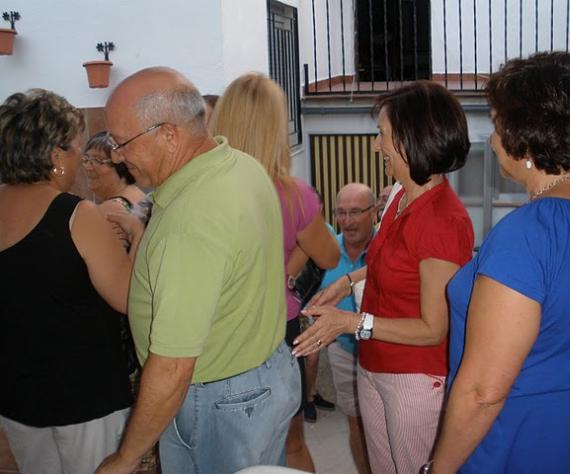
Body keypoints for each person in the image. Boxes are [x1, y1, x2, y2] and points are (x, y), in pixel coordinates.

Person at [429, 52, 570, 474]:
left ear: (525, 137)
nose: (492, 139)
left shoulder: (527, 234)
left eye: (496, 124)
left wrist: (440, 469)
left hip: (512, 446)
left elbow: (482, 392)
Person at [96, 67, 301, 474]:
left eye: (121, 143)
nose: (116, 156)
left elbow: (173, 366)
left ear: (168, 135)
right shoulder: (240, 164)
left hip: (221, 402)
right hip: (267, 372)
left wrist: (125, 457)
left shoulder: (190, 222)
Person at [295, 80, 474, 473]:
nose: (377, 146)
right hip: (374, 364)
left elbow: (433, 328)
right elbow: (388, 262)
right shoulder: (398, 195)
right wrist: (345, 283)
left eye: (382, 134)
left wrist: (352, 322)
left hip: (413, 378)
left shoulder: (443, 222)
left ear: (411, 140)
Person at [0, 89, 136, 473]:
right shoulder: (76, 215)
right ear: (57, 155)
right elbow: (127, 297)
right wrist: (138, 236)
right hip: (85, 396)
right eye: (78, 147)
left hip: (18, 395)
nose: (80, 159)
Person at [210, 72, 340, 472]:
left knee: (233, 450)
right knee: (291, 443)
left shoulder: (204, 190)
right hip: (277, 329)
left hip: (219, 331)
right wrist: (289, 264)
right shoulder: (293, 195)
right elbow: (330, 255)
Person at [318, 182, 376, 474]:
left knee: (383, 425)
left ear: (373, 212)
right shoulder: (326, 252)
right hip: (343, 350)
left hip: (385, 350)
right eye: (341, 213)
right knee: (355, 422)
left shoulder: (387, 248)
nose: (348, 220)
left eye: (355, 212)